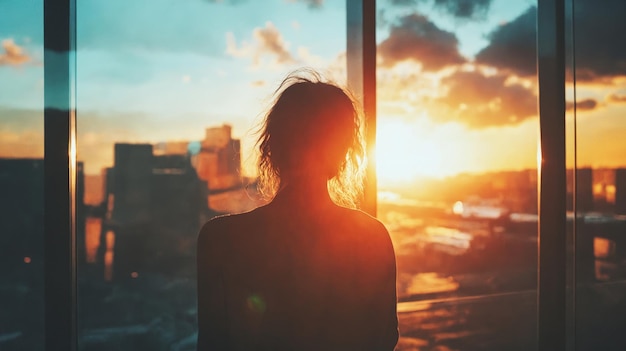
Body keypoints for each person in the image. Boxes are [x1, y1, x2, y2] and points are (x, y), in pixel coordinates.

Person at [196, 70, 398, 351]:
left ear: (271, 150)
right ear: (343, 155)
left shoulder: (220, 239)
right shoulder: (373, 239)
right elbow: (383, 341)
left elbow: (212, 343)